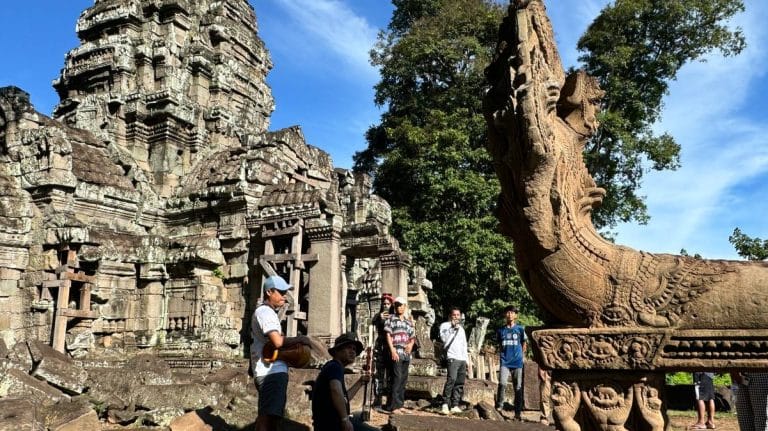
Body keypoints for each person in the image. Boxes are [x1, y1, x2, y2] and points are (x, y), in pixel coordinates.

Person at [251, 275, 310, 431]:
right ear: (269, 292)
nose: (284, 296)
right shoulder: (265, 312)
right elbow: (277, 341)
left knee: (271, 417)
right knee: (268, 417)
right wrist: (301, 339)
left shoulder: (266, 312)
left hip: (270, 370)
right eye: (281, 292)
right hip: (271, 372)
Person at [312, 332, 369, 431]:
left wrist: (360, 382)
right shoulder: (335, 366)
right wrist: (345, 420)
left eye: (354, 349)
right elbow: (335, 390)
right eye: (348, 348)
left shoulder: (334, 367)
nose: (352, 352)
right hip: (331, 425)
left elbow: (344, 399)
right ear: (337, 351)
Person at [495, 305, 527, 420]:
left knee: (517, 387)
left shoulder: (520, 329)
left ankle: (517, 412)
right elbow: (499, 344)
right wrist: (503, 355)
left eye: (512, 312)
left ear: (516, 315)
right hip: (505, 361)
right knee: (502, 383)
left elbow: (524, 343)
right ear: (505, 314)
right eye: (508, 312)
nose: (510, 314)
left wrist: (521, 356)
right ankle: (499, 406)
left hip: (517, 362)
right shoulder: (500, 330)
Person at [385, 296, 415, 414]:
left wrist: (411, 345)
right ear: (395, 306)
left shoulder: (408, 322)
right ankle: (394, 406)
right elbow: (388, 335)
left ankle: (400, 404)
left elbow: (412, 337)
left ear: (405, 307)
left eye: (401, 305)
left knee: (403, 379)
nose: (399, 307)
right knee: (396, 378)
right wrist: (392, 350)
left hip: (406, 353)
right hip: (396, 351)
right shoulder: (391, 318)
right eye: (397, 305)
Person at [439, 307, 468, 415]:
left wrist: (467, 360)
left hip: (462, 358)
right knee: (451, 379)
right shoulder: (445, 326)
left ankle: (455, 404)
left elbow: (464, 345)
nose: (456, 317)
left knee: (459, 382)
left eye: (458, 315)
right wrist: (452, 328)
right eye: (454, 315)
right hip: (452, 357)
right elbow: (444, 339)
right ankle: (445, 403)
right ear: (450, 316)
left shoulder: (462, 329)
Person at [372, 293, 394, 409]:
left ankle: (390, 401)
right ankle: (378, 399)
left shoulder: (394, 316)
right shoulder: (378, 316)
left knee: (391, 376)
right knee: (379, 375)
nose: (385, 305)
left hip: (391, 348)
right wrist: (380, 318)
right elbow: (373, 322)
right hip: (380, 347)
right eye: (384, 303)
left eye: (388, 303)